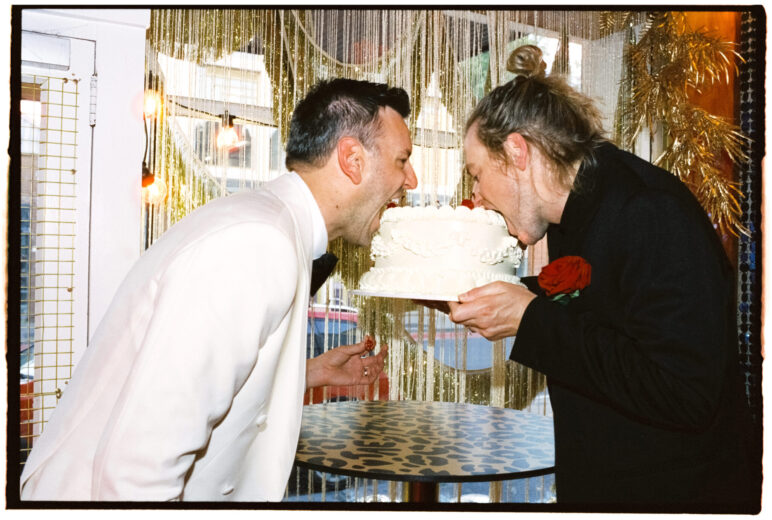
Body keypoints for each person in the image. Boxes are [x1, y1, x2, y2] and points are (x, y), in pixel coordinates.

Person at [19, 78, 417, 502]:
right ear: (353, 160)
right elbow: (136, 471)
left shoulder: (267, 226)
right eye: (402, 160)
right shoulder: (257, 242)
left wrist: (306, 374)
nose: (410, 180)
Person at [447, 45, 759, 511]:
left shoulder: (651, 211)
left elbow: (686, 394)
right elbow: (589, 302)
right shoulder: (572, 213)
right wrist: (479, 293)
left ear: (516, 152)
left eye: (476, 174)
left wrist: (529, 318)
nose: (476, 195)